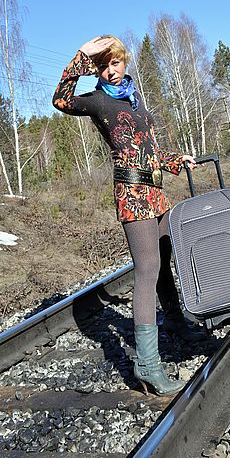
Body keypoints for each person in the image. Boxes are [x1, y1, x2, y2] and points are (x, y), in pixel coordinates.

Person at [52, 35, 205, 396]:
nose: (112, 70)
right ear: (96, 70)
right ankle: (148, 366)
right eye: (104, 65)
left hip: (155, 193)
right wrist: (81, 56)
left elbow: (147, 149)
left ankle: (175, 323)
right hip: (133, 196)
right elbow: (59, 99)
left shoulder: (135, 100)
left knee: (164, 260)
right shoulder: (96, 101)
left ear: (124, 61)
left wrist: (173, 160)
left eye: (116, 62)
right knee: (147, 270)